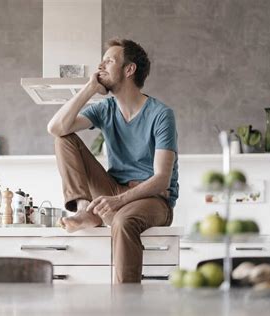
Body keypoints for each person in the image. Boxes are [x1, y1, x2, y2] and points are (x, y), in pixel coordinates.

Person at [47, 38, 179, 283]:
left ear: (129, 70)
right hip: (112, 192)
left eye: (109, 60)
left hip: (153, 199)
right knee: (63, 138)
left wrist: (118, 201)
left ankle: (125, 304)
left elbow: (162, 179)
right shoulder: (105, 108)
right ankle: (86, 210)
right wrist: (88, 89)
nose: (101, 65)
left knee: (124, 220)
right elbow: (56, 127)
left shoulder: (161, 115)